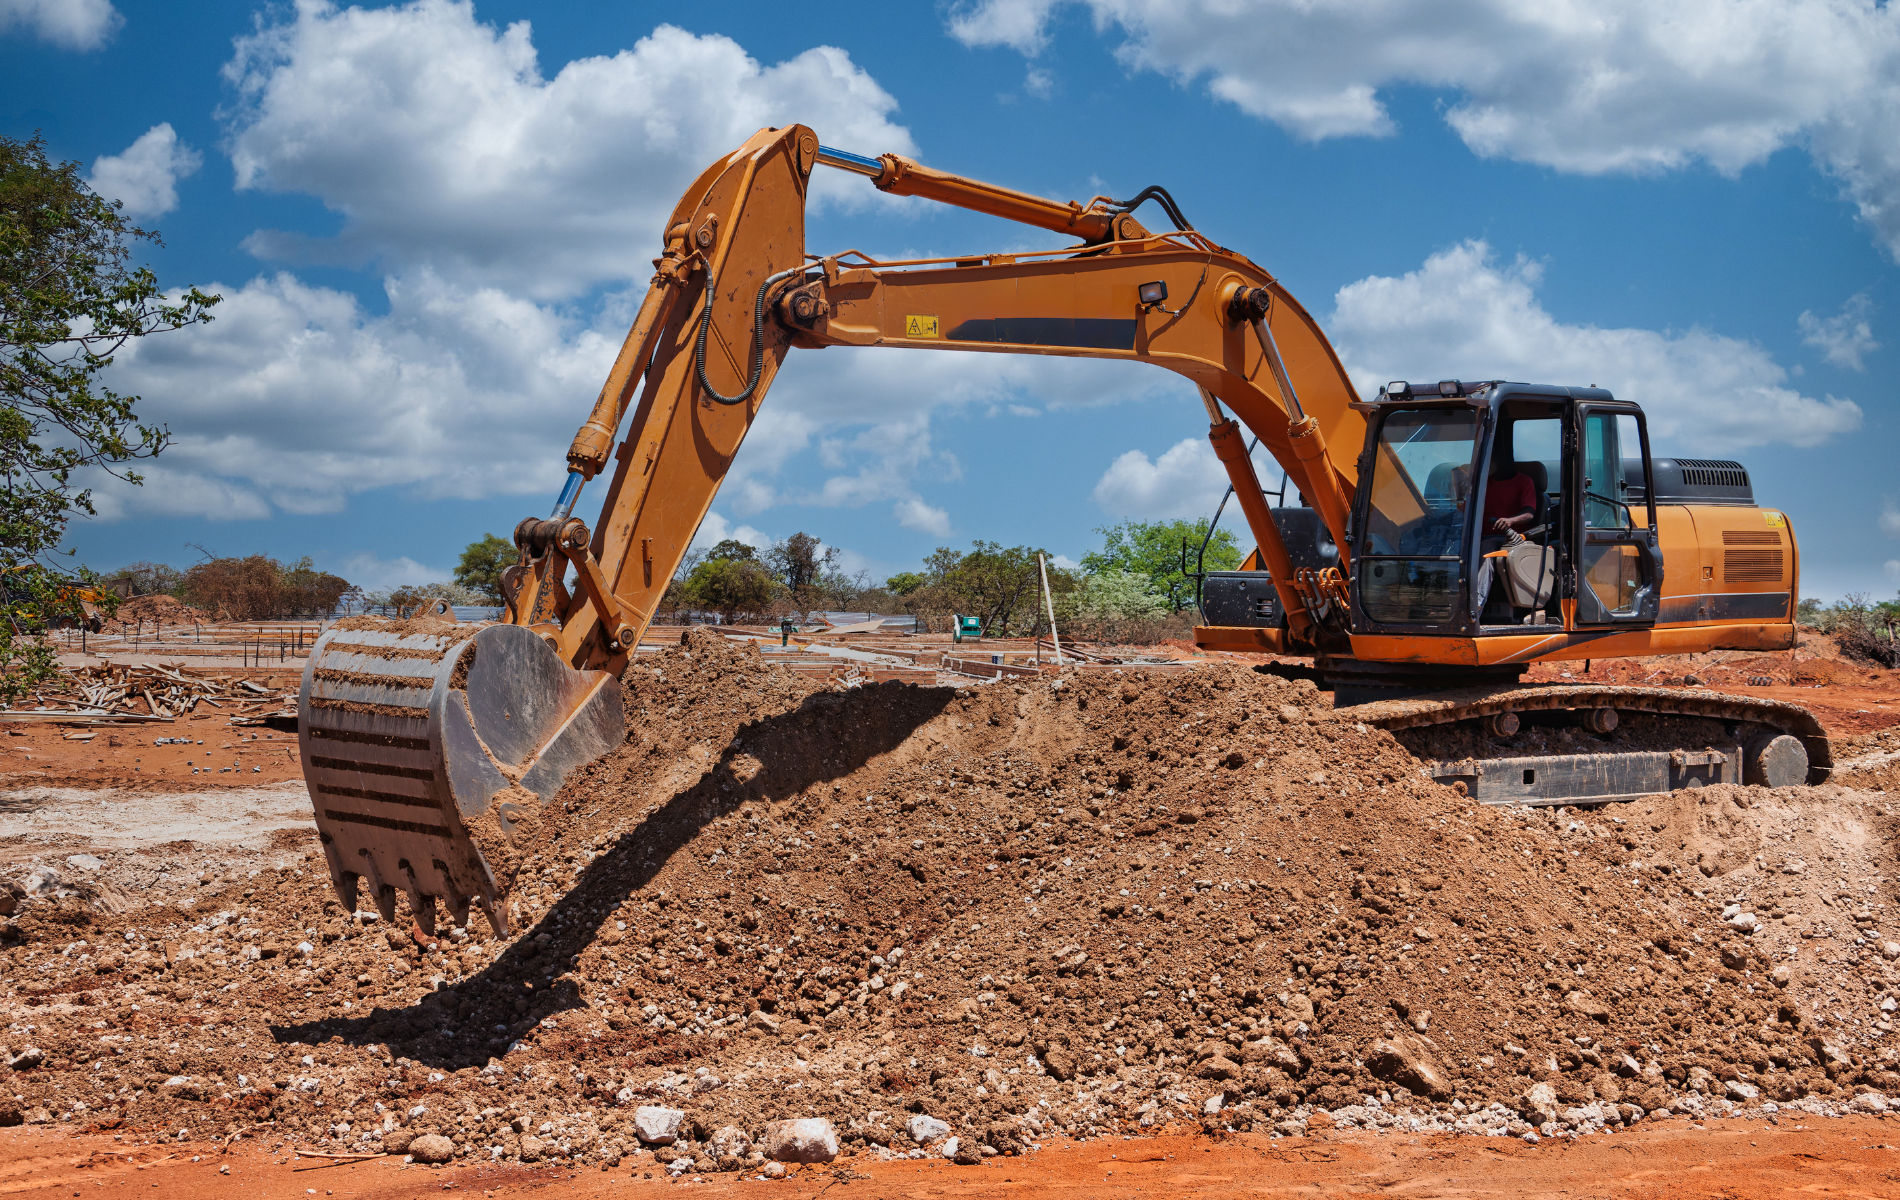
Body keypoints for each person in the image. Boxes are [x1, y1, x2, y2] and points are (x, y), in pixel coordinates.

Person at [1475, 458, 1538, 618]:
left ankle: (1475, 605)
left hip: (1509, 540)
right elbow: (1463, 510)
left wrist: (1510, 521)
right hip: (1476, 537)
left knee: (1487, 548)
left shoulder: (1524, 482)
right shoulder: (1482, 484)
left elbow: (1529, 513)